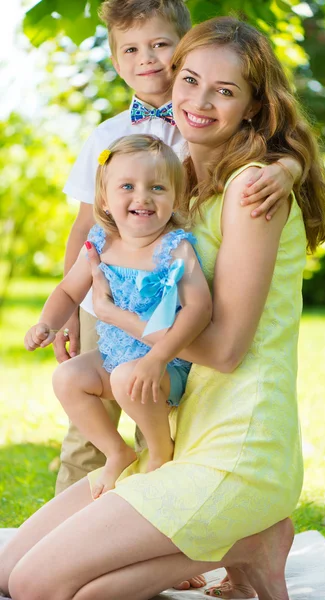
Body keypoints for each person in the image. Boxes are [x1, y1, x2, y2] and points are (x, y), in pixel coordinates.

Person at [0, 17, 325, 600]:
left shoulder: (252, 188)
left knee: (39, 587)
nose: (199, 102)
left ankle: (248, 540)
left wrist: (114, 314)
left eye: (225, 92)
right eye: (190, 80)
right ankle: (237, 538)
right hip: (177, 436)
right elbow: (101, 223)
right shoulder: (182, 181)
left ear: (254, 107)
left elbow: (226, 351)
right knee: (10, 573)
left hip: (236, 444)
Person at [56, 0, 304, 498]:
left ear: (180, 53)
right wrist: (73, 304)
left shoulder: (197, 124)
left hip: (168, 292)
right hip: (109, 290)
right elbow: (86, 225)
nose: (146, 59)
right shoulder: (108, 136)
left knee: (149, 399)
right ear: (115, 57)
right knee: (88, 418)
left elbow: (271, 145)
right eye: (131, 49)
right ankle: (82, 506)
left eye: (160, 46)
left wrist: (289, 168)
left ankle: (150, 481)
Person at [24, 134, 212, 499]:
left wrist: (157, 358)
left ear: (175, 199)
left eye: (157, 187)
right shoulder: (101, 242)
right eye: (127, 186)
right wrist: (47, 323)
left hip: (165, 367)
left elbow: (199, 309)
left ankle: (160, 452)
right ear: (105, 199)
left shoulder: (174, 247)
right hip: (114, 360)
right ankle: (117, 452)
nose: (142, 197)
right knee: (67, 377)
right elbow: (67, 290)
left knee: (129, 375)